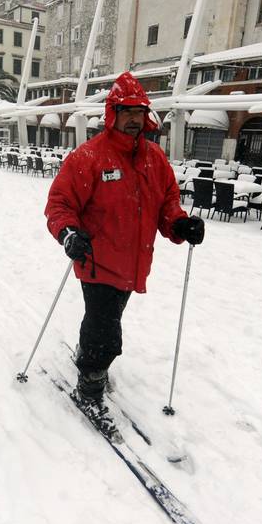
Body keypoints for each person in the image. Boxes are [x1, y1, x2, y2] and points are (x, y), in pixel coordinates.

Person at [44, 71, 205, 423]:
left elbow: (167, 204)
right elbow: (59, 204)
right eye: (126, 111)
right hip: (97, 260)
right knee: (106, 333)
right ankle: (89, 385)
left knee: (106, 318)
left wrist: (180, 224)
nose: (134, 119)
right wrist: (69, 232)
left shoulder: (154, 158)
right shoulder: (88, 157)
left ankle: (89, 355)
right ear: (111, 113)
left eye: (139, 111)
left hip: (133, 264)